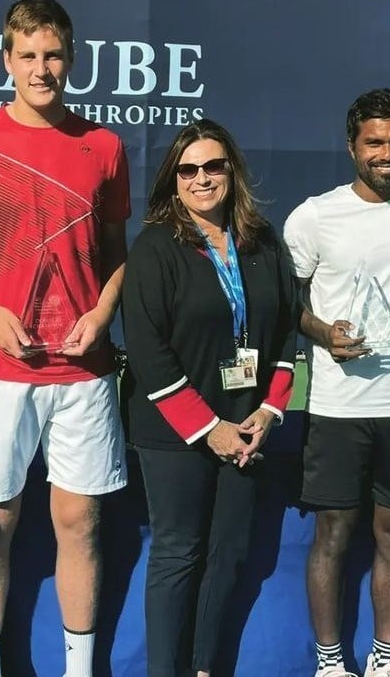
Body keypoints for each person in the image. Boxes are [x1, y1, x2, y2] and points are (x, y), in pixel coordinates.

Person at [0, 0, 130, 677]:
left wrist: (103, 313)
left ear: (71, 59)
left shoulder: (104, 145)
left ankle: (79, 669)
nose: (41, 69)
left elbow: (116, 250)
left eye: (53, 55)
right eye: (28, 56)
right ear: (6, 60)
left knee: (81, 524)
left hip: (83, 373)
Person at [121, 119, 298, 676]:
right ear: (173, 179)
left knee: (230, 553)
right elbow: (148, 353)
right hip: (174, 433)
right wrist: (209, 429)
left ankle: (204, 667)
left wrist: (269, 410)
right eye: (188, 169)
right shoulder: (156, 248)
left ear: (232, 171)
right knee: (179, 553)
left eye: (213, 166)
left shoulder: (262, 242)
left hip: (246, 426)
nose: (202, 178)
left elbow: (286, 332)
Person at [283, 88, 390, 677]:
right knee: (333, 532)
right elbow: (286, 300)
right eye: (375, 142)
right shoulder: (315, 215)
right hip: (337, 403)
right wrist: (323, 332)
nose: (388, 153)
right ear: (351, 145)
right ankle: (330, 661)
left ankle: (387, 658)